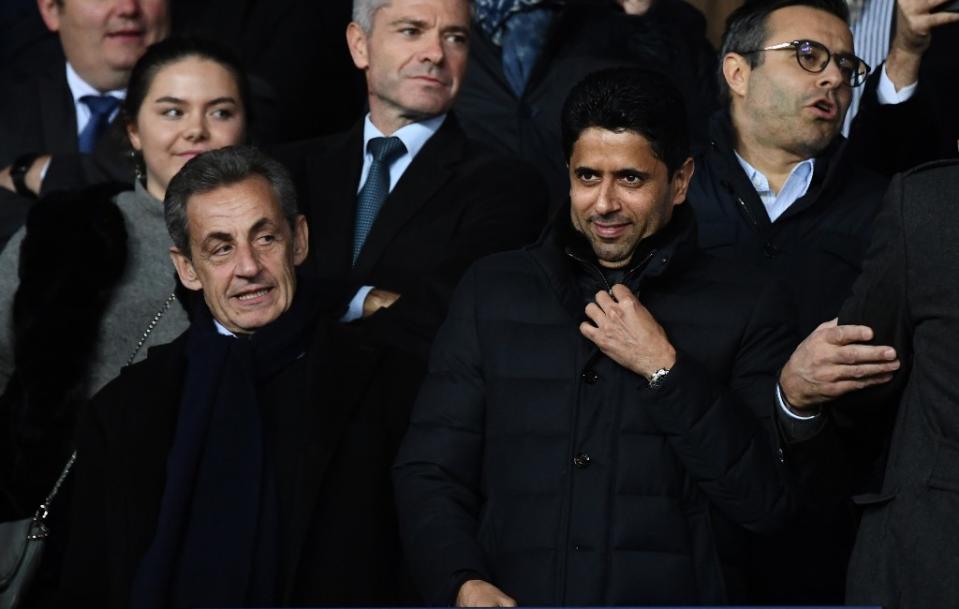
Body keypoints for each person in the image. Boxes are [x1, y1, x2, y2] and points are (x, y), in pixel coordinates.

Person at [394, 67, 797, 607]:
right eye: (588, 177)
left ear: (680, 181)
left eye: (631, 179)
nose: (604, 204)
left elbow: (766, 502)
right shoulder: (493, 290)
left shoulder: (747, 303)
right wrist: (461, 579)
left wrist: (665, 369)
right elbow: (430, 469)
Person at [55, 145, 407, 608]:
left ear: (298, 240)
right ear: (187, 268)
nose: (248, 267)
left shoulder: (388, 380)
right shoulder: (124, 410)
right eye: (220, 248)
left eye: (265, 239)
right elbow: (87, 584)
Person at [688, 0, 902, 601]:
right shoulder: (669, 188)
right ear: (737, 72)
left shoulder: (885, 208)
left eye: (846, 65)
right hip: (678, 515)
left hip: (821, 528)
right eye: (808, 56)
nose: (834, 77)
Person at [0, 36, 249, 523]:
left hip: (196, 520)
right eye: (172, 112)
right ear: (133, 131)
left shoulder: (268, 253)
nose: (196, 131)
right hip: (49, 519)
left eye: (219, 112)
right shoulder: (65, 226)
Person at [273, 0, 548, 361]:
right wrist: (364, 300)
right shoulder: (281, 171)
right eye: (411, 31)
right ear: (359, 44)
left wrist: (304, 299)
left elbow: (452, 320)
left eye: (455, 38)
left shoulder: (508, 186)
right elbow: (232, 289)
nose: (435, 53)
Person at [454, 0, 719, 210]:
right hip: (481, 239)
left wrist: (640, 15)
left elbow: (695, 142)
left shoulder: (659, 22)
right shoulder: (442, 22)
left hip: (604, 244)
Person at [0, 0, 170, 246]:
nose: (128, 8)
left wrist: (47, 174)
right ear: (51, 9)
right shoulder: (8, 106)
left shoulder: (224, 99)